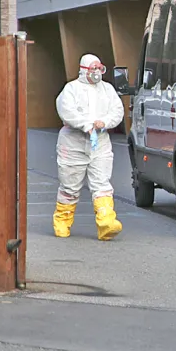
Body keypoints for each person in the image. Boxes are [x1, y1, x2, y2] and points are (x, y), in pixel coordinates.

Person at [53, 54, 125, 241]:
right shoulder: (71, 89)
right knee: (70, 185)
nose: (96, 73)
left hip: (99, 142)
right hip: (73, 142)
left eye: (99, 69)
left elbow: (117, 111)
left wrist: (105, 122)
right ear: (84, 70)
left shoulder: (107, 89)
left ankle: (106, 223)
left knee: (102, 184)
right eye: (93, 69)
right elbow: (66, 111)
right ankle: (62, 221)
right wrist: (87, 125)